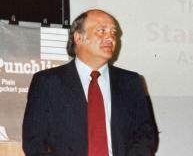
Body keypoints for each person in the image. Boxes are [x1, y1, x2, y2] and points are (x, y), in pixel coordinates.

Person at [23, 9, 156, 156]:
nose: (110, 38)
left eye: (113, 32)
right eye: (101, 31)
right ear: (79, 38)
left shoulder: (131, 82)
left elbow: (146, 135)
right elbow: (33, 143)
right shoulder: (47, 82)